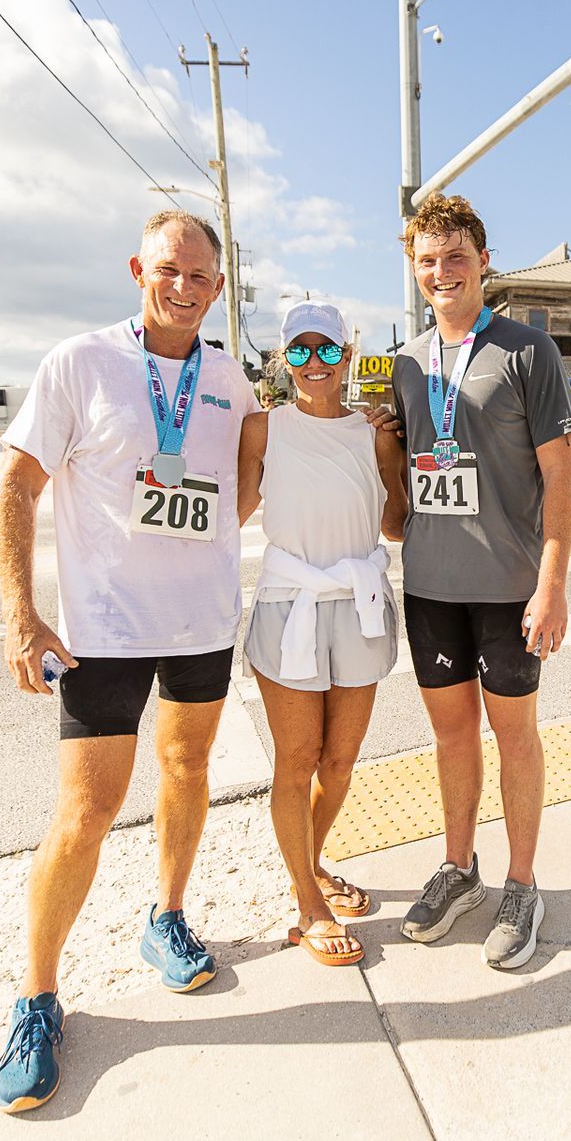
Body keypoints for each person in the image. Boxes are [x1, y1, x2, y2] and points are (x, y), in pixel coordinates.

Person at [0, 210, 259, 1113]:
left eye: (202, 277)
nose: (184, 288)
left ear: (219, 289)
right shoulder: (79, 362)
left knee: (188, 768)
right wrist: (22, 614)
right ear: (138, 268)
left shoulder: (232, 379)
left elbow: (242, 489)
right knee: (87, 811)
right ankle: (36, 999)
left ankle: (167, 917)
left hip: (202, 626)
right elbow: (17, 485)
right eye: (169, 270)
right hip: (101, 632)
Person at [391, 195, 571, 971]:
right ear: (415, 268)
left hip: (508, 588)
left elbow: (562, 481)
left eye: (456, 255)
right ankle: (459, 867)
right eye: (428, 259)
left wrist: (552, 583)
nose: (443, 271)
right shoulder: (406, 361)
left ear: (483, 260)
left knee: (515, 736)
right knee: (450, 736)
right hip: (431, 588)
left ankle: (523, 884)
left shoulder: (528, 352)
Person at [238, 302, 409, 968]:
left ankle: (305, 867)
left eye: (327, 350)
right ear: (284, 359)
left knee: (340, 760)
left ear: (347, 353)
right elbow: (233, 510)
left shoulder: (374, 432)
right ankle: (309, 902)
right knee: (296, 758)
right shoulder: (262, 428)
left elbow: (394, 524)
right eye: (301, 351)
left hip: (360, 604)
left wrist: (393, 452)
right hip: (291, 604)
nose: (314, 363)